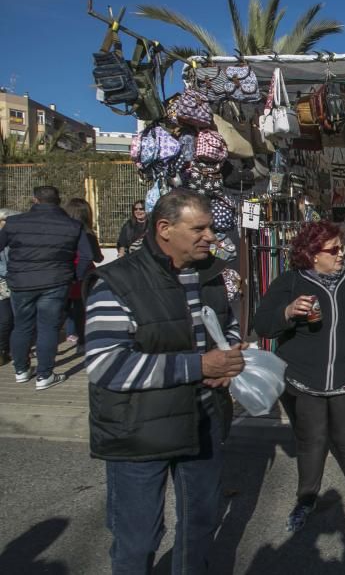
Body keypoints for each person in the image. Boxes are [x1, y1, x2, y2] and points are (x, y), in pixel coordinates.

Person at [84, 188, 246, 574]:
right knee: (137, 538)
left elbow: (228, 327)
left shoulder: (212, 273)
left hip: (203, 421)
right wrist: (200, 366)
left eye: (212, 228)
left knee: (199, 525)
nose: (211, 236)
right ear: (164, 229)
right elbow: (107, 366)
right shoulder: (116, 281)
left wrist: (229, 360)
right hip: (140, 430)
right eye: (200, 229)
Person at [253, 221, 345, 531]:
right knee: (311, 441)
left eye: (342, 248)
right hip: (304, 378)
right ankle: (306, 499)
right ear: (311, 254)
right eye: (334, 250)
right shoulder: (290, 282)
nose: (341, 255)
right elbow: (264, 325)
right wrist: (289, 313)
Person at [0, 186, 92, 389]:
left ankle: (21, 370)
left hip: (20, 282)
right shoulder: (72, 225)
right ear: (58, 201)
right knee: (48, 327)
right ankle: (44, 375)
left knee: (22, 325)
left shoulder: (14, 223)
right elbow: (86, 255)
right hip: (56, 281)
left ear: (34, 200)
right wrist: (75, 276)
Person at [63, 198, 104, 345]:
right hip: (83, 274)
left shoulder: (61, 231)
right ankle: (82, 340)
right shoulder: (88, 233)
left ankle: (68, 333)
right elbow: (97, 257)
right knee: (81, 308)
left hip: (63, 272)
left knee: (62, 307)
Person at [0, 209, 18, 367]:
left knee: (15, 318)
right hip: (3, 283)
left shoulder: (17, 239)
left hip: (16, 281)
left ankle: (13, 349)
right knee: (6, 319)